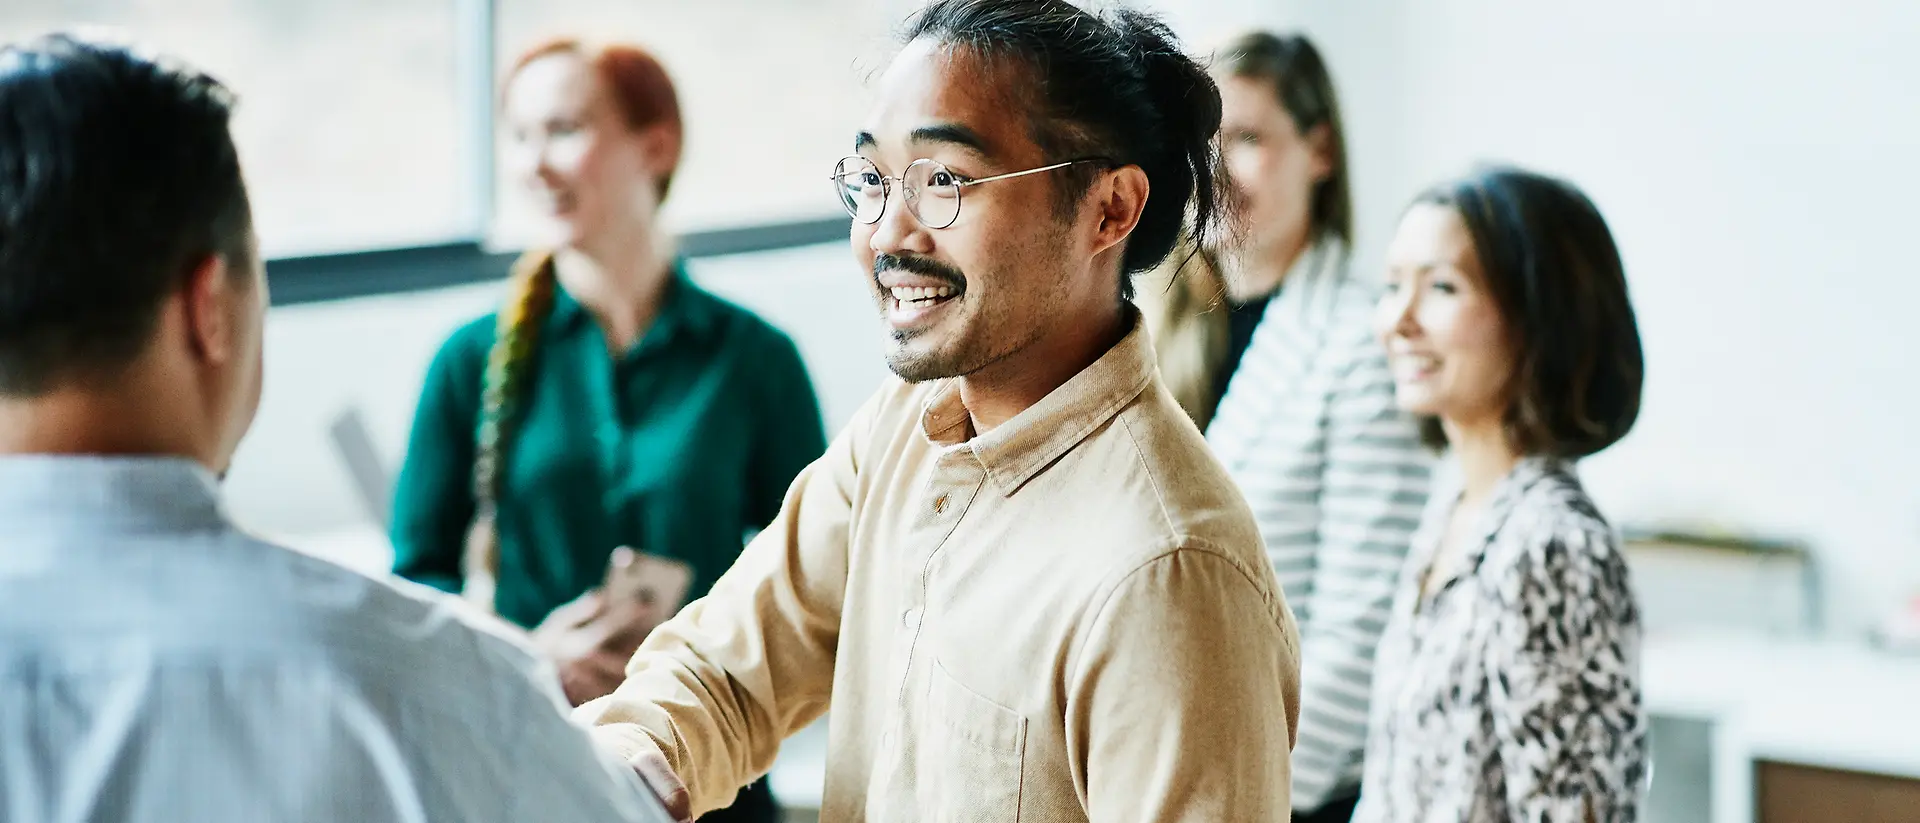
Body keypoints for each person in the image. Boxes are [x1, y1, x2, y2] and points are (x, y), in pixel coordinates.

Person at [574, 1, 1303, 820]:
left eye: (945, 180)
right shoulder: (908, 424)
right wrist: (629, 764)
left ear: (1110, 210)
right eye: (873, 180)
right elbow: (729, 668)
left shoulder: (1168, 571)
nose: (887, 232)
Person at [0, 33, 678, 823]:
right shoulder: (424, 681)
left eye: (564, 129)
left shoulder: (428, 676)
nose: (536, 164)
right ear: (209, 304)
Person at [389, 37, 822, 821]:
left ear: (656, 145)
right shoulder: (468, 361)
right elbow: (415, 587)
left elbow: (819, 579)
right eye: (519, 136)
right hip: (529, 769)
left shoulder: (755, 360)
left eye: (563, 130)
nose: (534, 163)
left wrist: (710, 663)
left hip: (713, 780)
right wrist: (524, 658)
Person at [1135, 31, 1430, 822]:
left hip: (1290, 792)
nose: (1217, 168)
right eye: (1204, 144)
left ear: (1320, 150)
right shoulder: (1154, 333)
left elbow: (1357, 640)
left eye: (1249, 139)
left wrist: (1246, 801)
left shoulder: (1365, 345)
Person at [1354, 166, 1648, 822]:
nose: (1396, 320)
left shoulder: (1553, 545)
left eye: (1442, 287)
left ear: (1538, 317)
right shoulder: (1455, 508)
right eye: (1393, 285)